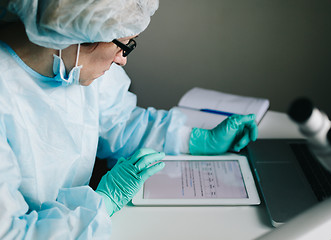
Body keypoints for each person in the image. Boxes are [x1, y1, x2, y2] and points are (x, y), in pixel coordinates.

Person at [0, 0, 258, 239]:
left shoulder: (75, 61)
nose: (121, 60)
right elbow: (11, 233)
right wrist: (100, 204)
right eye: (123, 45)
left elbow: (121, 122)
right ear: (78, 33)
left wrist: (197, 139)